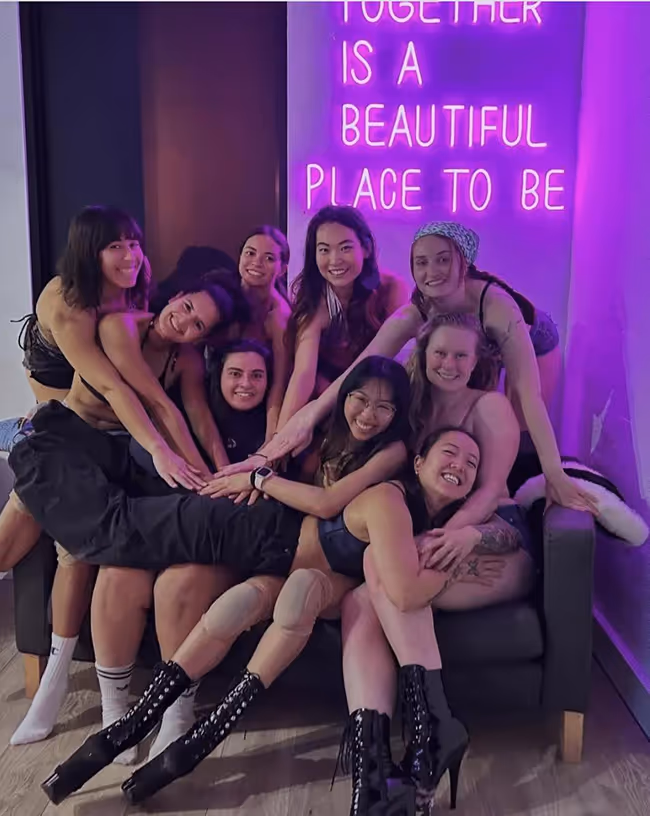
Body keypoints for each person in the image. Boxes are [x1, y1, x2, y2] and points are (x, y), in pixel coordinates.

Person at [26, 357, 410, 805]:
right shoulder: (334, 437)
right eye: (360, 400)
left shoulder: (394, 451)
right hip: (271, 540)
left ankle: (44, 444)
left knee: (139, 525)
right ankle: (125, 731)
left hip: (278, 542)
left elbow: (325, 504)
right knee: (153, 527)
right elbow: (298, 479)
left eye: (384, 407)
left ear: (400, 414)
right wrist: (261, 479)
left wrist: (258, 478)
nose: (368, 414)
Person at [7, 276, 247, 750]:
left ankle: (54, 691)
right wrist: (173, 460)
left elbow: (193, 416)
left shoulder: (187, 359)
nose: (185, 320)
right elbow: (153, 405)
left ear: (201, 337)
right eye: (186, 306)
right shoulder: (121, 326)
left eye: (198, 324)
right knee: (7, 545)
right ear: (175, 295)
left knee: (79, 551)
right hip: (70, 441)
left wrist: (221, 476)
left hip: (120, 456)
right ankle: (53, 688)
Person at [237, 221, 597, 514]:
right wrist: (304, 420)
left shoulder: (498, 306)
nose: (432, 271)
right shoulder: (417, 309)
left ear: (463, 262)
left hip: (534, 340)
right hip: (469, 344)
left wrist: (555, 473)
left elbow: (527, 393)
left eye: (442, 260)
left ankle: (507, 499)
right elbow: (362, 366)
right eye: (422, 263)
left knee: (514, 434)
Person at [89, 340, 272, 762]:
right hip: (168, 523)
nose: (246, 384)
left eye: (257, 376)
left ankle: (176, 708)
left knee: (178, 583)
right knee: (117, 574)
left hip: (223, 544)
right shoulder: (190, 411)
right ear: (217, 375)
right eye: (235, 374)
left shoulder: (274, 423)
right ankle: (115, 711)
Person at [339, 427, 535, 813]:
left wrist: (470, 538)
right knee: (360, 598)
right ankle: (374, 774)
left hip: (508, 571)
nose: (460, 466)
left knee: (377, 566)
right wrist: (452, 564)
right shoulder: (394, 500)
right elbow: (406, 590)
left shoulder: (473, 506)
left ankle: (401, 758)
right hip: (411, 583)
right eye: (449, 453)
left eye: (471, 463)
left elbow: (509, 535)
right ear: (418, 463)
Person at [277, 205, 409, 429]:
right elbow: (303, 374)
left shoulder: (391, 289)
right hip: (323, 397)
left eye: (345, 248)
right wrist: (279, 440)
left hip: (375, 396)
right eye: (324, 250)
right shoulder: (314, 298)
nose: (335, 259)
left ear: (365, 248)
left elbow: (388, 362)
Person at [234, 226, 292, 442]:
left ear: (282, 268)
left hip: (257, 401)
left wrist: (271, 442)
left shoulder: (279, 317)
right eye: (250, 253)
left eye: (268, 258)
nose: (256, 262)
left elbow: (280, 382)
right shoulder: (221, 294)